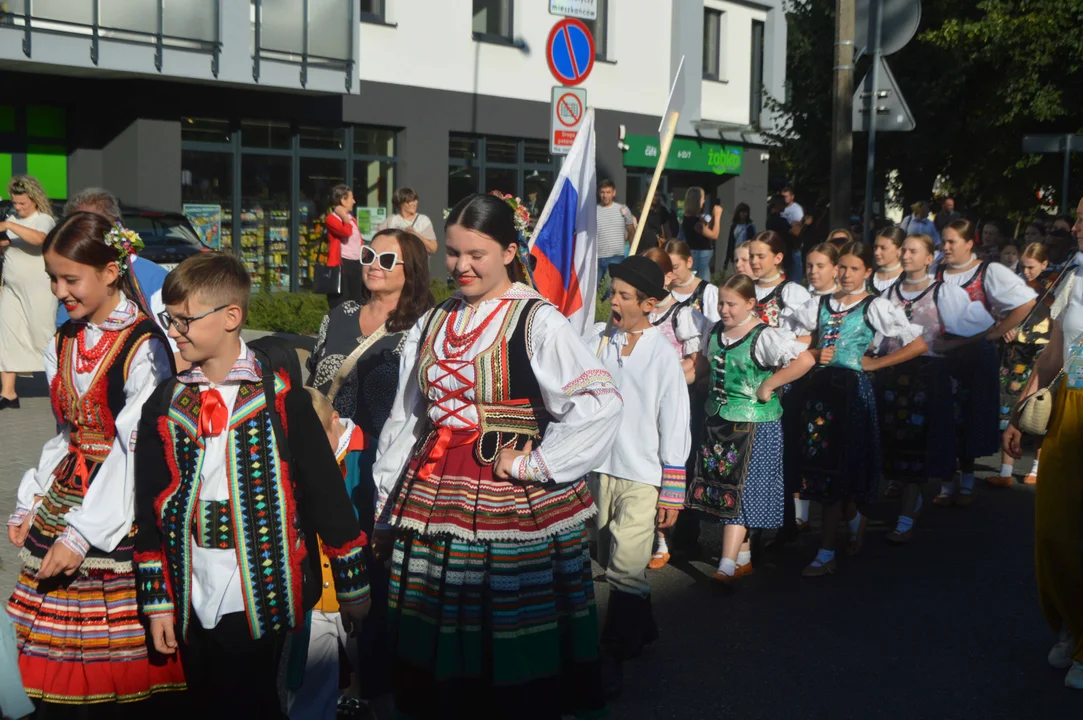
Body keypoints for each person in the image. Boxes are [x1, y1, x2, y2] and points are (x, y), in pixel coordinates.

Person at [370, 193, 622, 719]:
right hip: (433, 486)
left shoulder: (537, 320)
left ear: (510, 251)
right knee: (433, 612)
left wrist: (537, 465)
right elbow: (406, 413)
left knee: (506, 617)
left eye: (476, 255)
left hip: (511, 495)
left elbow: (599, 402)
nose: (461, 266)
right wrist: (385, 496)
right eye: (454, 253)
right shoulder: (434, 319)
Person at [132, 252, 371, 717]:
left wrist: (353, 586)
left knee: (255, 702)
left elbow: (325, 492)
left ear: (231, 317)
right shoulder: (164, 400)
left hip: (262, 588)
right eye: (170, 320)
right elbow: (148, 504)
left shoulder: (282, 399)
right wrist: (157, 600)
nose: (174, 331)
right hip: (190, 583)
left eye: (185, 321)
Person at [6, 212, 184, 707]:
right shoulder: (65, 340)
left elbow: (134, 447)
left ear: (111, 271)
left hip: (119, 506)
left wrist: (83, 532)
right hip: (66, 495)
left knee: (115, 670)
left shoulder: (146, 347)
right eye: (52, 279)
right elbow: (64, 432)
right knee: (50, 655)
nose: (60, 291)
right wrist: (32, 499)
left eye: (70, 279)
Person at [305, 228, 431, 709]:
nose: (372, 263)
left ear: (410, 270)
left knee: (373, 569)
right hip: (328, 460)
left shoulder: (422, 327)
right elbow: (315, 385)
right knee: (324, 563)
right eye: (368, 255)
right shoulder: (339, 316)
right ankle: (327, 676)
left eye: (385, 258)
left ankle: (372, 682)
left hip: (384, 466)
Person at [787, 241, 927, 576]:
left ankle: (826, 552)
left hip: (851, 396)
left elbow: (918, 343)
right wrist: (813, 353)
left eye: (854, 269)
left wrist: (876, 365)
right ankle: (854, 519)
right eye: (842, 267)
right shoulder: (819, 303)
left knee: (839, 468)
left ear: (867, 272)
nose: (846, 274)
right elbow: (797, 339)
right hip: (819, 394)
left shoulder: (874, 306)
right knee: (821, 469)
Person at [588, 255, 689, 695]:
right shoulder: (597, 340)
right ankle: (642, 627)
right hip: (597, 469)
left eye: (625, 296)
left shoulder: (663, 354)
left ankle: (612, 653)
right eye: (613, 292)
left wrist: (672, 488)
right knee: (609, 558)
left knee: (626, 567)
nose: (614, 301)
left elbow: (675, 419)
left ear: (649, 304)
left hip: (642, 475)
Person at [1004, 196, 1083, 689]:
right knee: (1056, 529)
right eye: (1077, 216)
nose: (1077, 226)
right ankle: (1073, 623)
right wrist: (1022, 408)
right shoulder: (1074, 275)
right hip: (1071, 408)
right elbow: (1055, 350)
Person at [689, 274, 813, 582]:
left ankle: (726, 565)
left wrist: (770, 384)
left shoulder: (764, 336)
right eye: (720, 303)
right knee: (725, 490)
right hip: (718, 421)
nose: (724, 309)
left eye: (732, 304)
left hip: (755, 427)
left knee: (741, 493)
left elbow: (805, 359)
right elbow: (702, 367)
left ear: (750, 304)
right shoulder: (715, 332)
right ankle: (742, 557)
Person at [875, 234, 994, 542]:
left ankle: (906, 514)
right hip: (892, 373)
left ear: (929, 258)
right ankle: (905, 498)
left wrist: (947, 345)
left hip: (927, 374)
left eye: (913, 251)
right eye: (903, 250)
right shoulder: (888, 292)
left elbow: (981, 325)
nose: (905, 255)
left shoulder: (944, 291)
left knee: (917, 441)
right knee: (894, 440)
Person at [934, 219, 1037, 505]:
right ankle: (945, 481)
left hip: (974, 356)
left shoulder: (987, 271)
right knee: (943, 416)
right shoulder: (937, 272)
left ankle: (966, 481)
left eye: (952, 241)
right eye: (944, 241)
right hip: (943, 354)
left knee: (968, 416)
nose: (946, 247)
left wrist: (995, 333)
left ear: (969, 244)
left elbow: (1026, 302)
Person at [289, 387, 372, 720]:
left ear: (335, 420)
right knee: (311, 700)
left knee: (380, 686)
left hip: (365, 598)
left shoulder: (370, 453)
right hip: (316, 604)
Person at [62, 187, 185, 366]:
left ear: (116, 229)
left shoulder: (154, 280)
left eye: (87, 231)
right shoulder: (65, 283)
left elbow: (177, 355)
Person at [639, 247, 707, 570]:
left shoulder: (683, 315)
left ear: (668, 276)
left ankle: (673, 537)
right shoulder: (639, 312)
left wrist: (671, 376)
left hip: (676, 402)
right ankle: (652, 537)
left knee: (675, 466)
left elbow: (696, 364)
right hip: (642, 403)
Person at [988, 242, 1060, 488]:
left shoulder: (1055, 287)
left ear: (1044, 264)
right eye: (1023, 267)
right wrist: (1004, 327)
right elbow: (998, 312)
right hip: (1014, 354)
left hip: (1041, 352)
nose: (1027, 272)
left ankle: (1037, 468)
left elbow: (1058, 318)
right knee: (1008, 407)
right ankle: (1006, 470)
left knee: (1040, 407)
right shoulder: (1014, 286)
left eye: (1031, 267)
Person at [0, 175, 57, 409]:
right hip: (12, 288)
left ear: (34, 200)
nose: (18, 207)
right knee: (6, 336)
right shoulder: (11, 218)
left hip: (39, 289)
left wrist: (10, 226)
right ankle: (8, 393)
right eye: (15, 203)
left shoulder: (44, 219)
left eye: (22, 203)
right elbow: (14, 243)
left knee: (42, 335)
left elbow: (39, 240)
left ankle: (59, 386)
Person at [747, 231, 811, 329]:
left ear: (778, 258)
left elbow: (805, 330)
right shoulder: (746, 288)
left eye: (761, 256)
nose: (754, 261)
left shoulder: (791, 292)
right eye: (751, 256)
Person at [324, 184, 366, 307]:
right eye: (351, 198)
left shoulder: (352, 219)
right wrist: (343, 217)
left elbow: (358, 239)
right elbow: (346, 232)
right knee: (341, 300)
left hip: (357, 262)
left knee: (357, 299)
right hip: (342, 264)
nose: (354, 201)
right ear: (343, 200)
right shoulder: (331, 219)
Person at [666, 239, 721, 323]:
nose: (670, 273)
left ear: (689, 262)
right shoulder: (663, 291)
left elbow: (715, 327)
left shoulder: (707, 292)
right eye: (666, 268)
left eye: (675, 267)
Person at [378, 187, 438, 255]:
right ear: (401, 203)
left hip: (417, 264)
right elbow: (379, 243)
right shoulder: (391, 221)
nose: (415, 203)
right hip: (397, 262)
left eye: (416, 200)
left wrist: (415, 235)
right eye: (411, 201)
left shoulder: (423, 221)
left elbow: (433, 248)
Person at [596, 179, 635, 283]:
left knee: (611, 290)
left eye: (608, 192)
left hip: (615, 257)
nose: (605, 195)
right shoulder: (594, 211)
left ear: (614, 193)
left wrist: (632, 251)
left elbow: (631, 230)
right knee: (596, 291)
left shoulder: (623, 209)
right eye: (602, 192)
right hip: (597, 257)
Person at [681, 187, 722, 280]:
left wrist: (713, 216)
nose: (704, 201)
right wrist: (718, 217)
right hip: (699, 255)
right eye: (702, 198)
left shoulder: (693, 218)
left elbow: (707, 229)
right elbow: (714, 235)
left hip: (700, 254)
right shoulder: (693, 220)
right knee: (703, 283)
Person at [780, 186, 807, 280]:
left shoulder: (796, 209)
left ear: (792, 196)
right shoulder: (782, 208)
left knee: (796, 264)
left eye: (787, 196)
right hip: (784, 242)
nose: (785, 199)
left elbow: (799, 226)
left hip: (794, 242)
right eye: (783, 196)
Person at [872, 226, 906, 294]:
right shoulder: (868, 278)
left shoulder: (907, 280)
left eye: (883, 248)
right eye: (875, 247)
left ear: (900, 250)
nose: (876, 252)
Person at [725, 202, 756, 270]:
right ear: (738, 213)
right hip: (736, 253)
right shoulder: (734, 226)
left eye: (746, 212)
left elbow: (753, 241)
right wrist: (727, 260)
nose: (744, 214)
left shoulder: (750, 226)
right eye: (742, 212)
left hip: (746, 253)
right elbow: (730, 242)